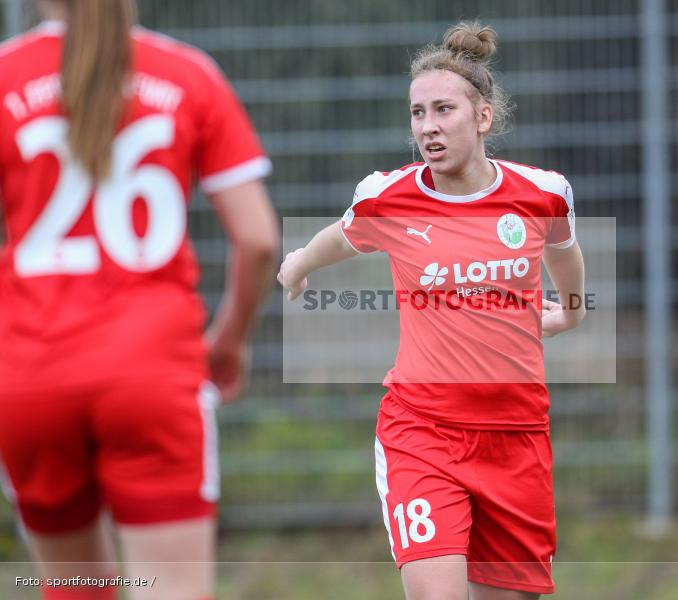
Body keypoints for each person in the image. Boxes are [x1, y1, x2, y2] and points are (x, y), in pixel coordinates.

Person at [279, 21, 585, 599]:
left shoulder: (542, 193)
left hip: (516, 436)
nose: (428, 126)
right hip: (423, 432)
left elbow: (565, 253)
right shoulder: (388, 197)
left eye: (444, 110)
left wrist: (571, 313)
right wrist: (298, 265)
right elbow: (338, 238)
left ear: (483, 117)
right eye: (417, 113)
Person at [0, 1, 278, 598]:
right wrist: (230, 339)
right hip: (151, 369)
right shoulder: (187, 73)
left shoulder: (6, 75)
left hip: (30, 377)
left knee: (73, 589)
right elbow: (258, 238)